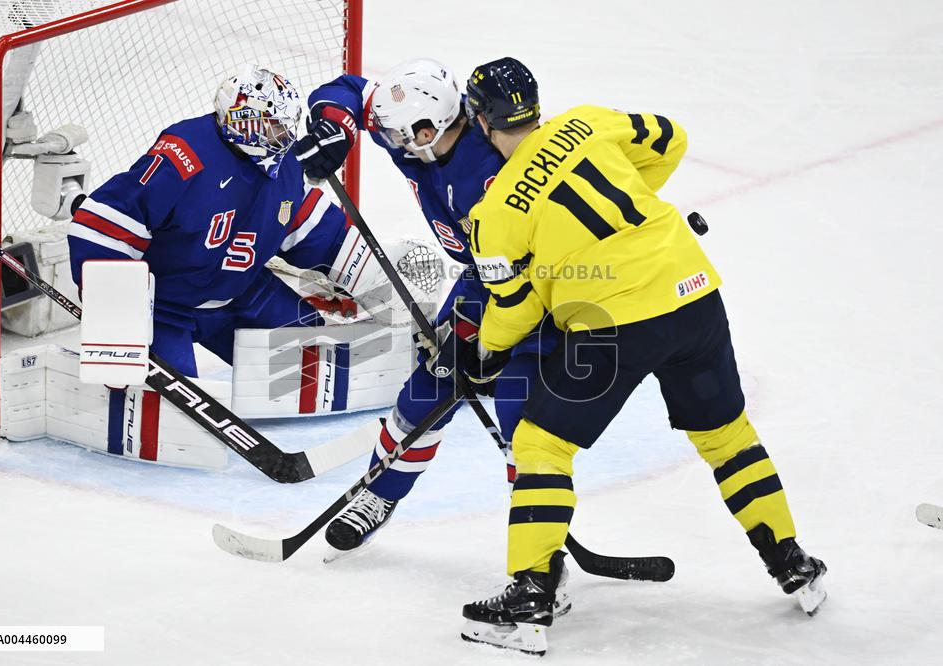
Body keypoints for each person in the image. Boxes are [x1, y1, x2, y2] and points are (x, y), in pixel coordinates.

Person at [447, 57, 827, 656]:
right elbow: (671, 138)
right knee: (727, 436)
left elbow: (517, 308)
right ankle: (791, 560)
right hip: (693, 294)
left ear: (478, 119)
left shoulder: (493, 216)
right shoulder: (586, 122)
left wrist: (482, 350)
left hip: (612, 324)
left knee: (543, 445)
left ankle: (529, 596)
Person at [294, 59, 560, 561]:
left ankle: (539, 545)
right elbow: (354, 89)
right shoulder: (416, 128)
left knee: (522, 420)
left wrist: (493, 343)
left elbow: (539, 265)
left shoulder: (495, 172)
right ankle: (379, 493)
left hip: (538, 291)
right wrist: (333, 125)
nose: (389, 143)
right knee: (426, 392)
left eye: (398, 136)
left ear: (428, 126)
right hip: (484, 281)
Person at [67, 64, 397, 379]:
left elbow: (313, 232)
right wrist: (115, 322)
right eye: (274, 126)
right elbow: (102, 226)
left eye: (286, 125)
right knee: (175, 398)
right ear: (243, 121)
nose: (284, 136)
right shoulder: (183, 156)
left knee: (313, 359)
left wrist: (381, 286)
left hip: (242, 295)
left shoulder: (284, 167)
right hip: (167, 308)